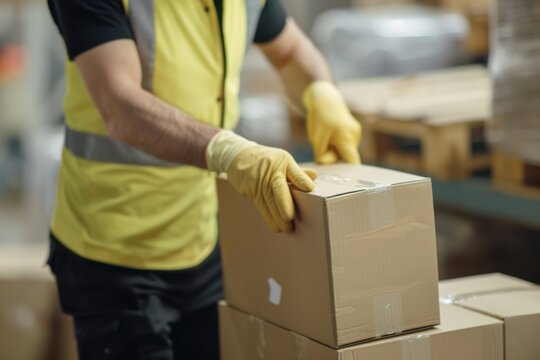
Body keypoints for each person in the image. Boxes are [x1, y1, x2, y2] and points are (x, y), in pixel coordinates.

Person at [46, 0, 361, 359]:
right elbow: (119, 105)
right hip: (114, 251)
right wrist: (228, 151)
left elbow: (289, 51)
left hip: (202, 239)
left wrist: (321, 91)